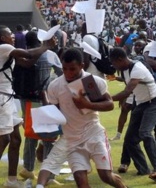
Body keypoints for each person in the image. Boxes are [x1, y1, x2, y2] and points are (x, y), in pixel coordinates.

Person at [36, 48, 127, 188]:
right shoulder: (55, 86)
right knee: (80, 179)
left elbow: (109, 105)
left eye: (72, 69)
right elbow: (55, 111)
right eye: (65, 69)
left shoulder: (92, 82)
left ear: (82, 66)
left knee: (106, 176)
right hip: (72, 139)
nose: (68, 73)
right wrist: (47, 128)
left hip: (94, 133)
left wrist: (87, 104)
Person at [0, 25, 55, 188]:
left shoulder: (8, 51)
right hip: (2, 99)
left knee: (16, 139)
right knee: (5, 139)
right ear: (3, 37)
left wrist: (44, 49)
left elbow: (28, 63)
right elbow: (29, 53)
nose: (13, 37)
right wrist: (45, 46)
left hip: (8, 98)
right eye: (10, 34)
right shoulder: (4, 47)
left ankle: (11, 180)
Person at [110, 47, 156, 181]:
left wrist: (106, 98)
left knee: (145, 133)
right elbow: (130, 90)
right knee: (130, 140)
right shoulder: (125, 69)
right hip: (142, 104)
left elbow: (127, 91)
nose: (113, 66)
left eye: (114, 63)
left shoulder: (137, 68)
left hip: (155, 102)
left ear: (120, 59)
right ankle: (143, 169)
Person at [18, 31, 63, 183]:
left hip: (26, 99)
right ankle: (49, 174)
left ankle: (28, 168)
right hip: (44, 99)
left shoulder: (22, 55)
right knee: (48, 137)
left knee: (30, 135)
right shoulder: (49, 55)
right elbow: (61, 74)